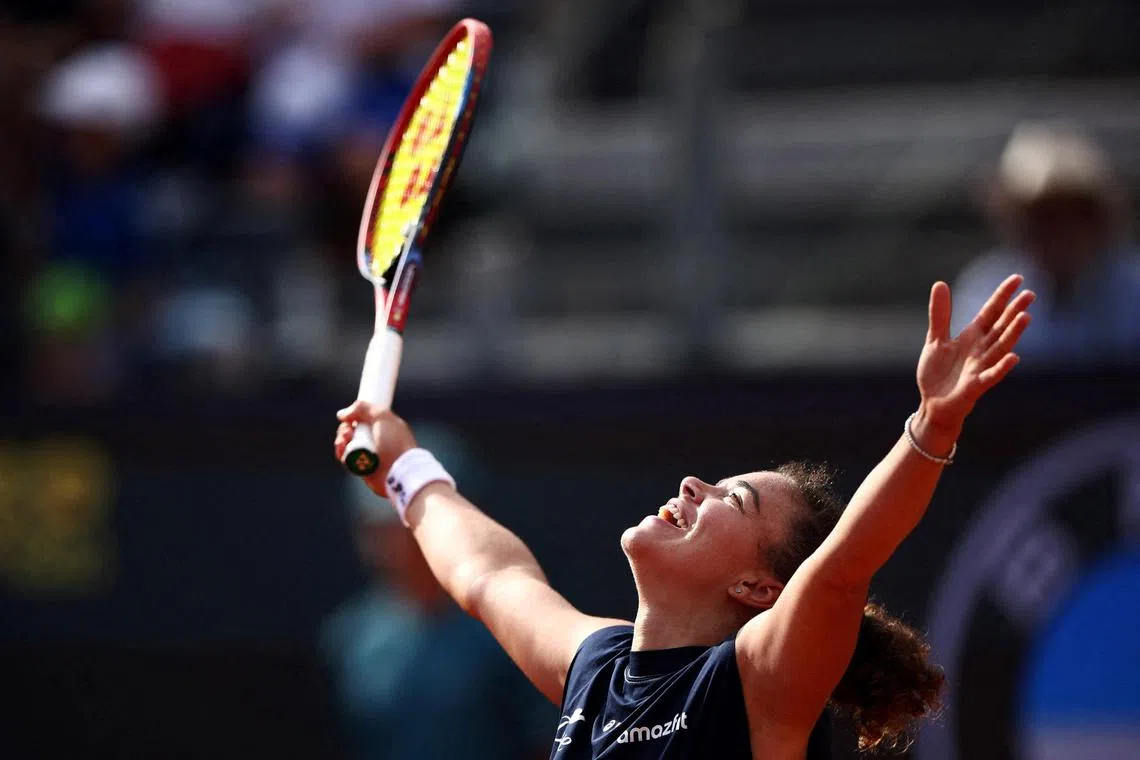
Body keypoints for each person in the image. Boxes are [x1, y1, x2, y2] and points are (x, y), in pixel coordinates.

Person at [333, 275, 1034, 759]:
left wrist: (930, 429)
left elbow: (843, 567)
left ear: (759, 589)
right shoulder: (597, 669)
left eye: (735, 499)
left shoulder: (760, 683)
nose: (695, 483)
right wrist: (405, 469)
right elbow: (489, 573)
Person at [321, 425, 553, 760]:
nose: (393, 540)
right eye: (377, 525)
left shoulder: (514, 630)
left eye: (409, 521)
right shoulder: (349, 635)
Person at [952, 121, 1140, 365]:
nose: (1058, 230)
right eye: (1039, 216)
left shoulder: (1134, 289)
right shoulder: (985, 293)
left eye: (1075, 212)